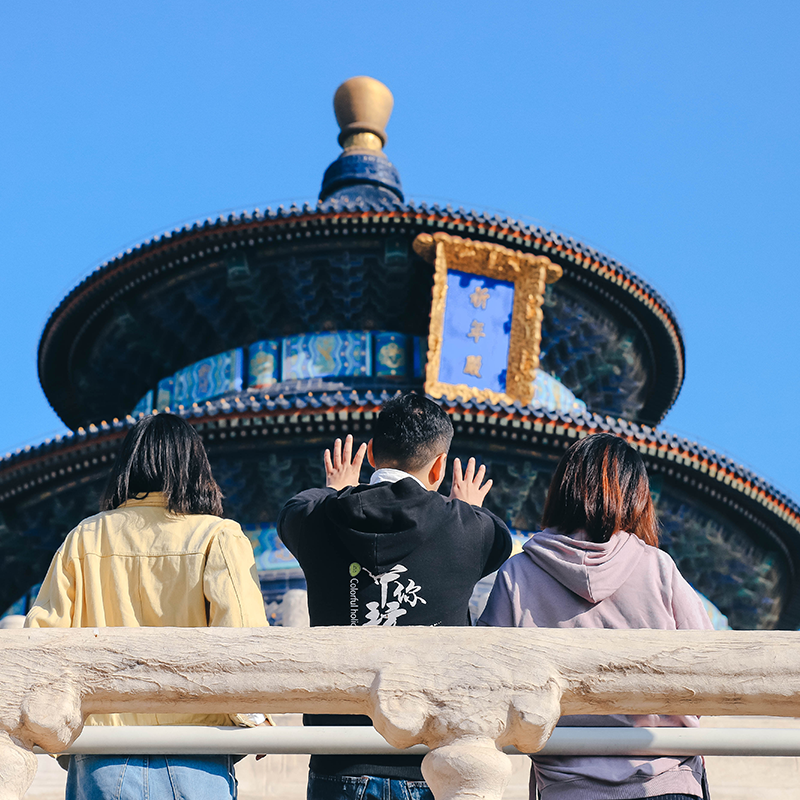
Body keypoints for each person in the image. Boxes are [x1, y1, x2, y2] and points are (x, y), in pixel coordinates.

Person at [278, 392, 512, 800]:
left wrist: (338, 489)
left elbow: (297, 507)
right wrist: (469, 509)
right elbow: (497, 538)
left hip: (339, 760)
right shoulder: (472, 531)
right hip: (432, 764)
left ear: (370, 454)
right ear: (440, 465)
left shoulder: (316, 520)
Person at [25, 413, 269, 800]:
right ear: (194, 468)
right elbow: (243, 638)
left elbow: (42, 642)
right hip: (197, 758)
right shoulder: (218, 536)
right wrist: (254, 717)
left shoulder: (82, 539)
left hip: (101, 758)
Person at [479, 432, 712, 800]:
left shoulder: (517, 575)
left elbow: (486, 684)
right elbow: (713, 668)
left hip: (567, 787)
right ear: (636, 496)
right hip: (663, 779)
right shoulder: (658, 569)